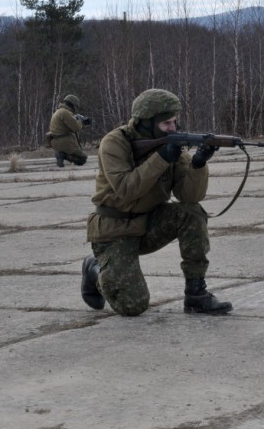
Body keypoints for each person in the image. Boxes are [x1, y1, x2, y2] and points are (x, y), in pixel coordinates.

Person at [80, 88, 232, 316]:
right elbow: (125, 190)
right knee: (133, 306)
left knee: (191, 212)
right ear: (145, 122)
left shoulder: (171, 147)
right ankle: (94, 268)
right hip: (114, 231)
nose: (173, 128)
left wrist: (198, 165)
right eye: (166, 123)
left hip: (150, 224)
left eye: (174, 122)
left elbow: (189, 197)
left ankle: (196, 294)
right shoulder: (114, 143)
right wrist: (161, 158)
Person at [48, 94, 90, 167]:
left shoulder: (58, 111)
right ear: (72, 105)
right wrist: (82, 123)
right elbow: (76, 128)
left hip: (56, 142)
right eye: (75, 106)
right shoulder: (65, 113)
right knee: (82, 159)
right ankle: (63, 155)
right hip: (64, 142)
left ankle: (61, 153)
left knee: (80, 157)